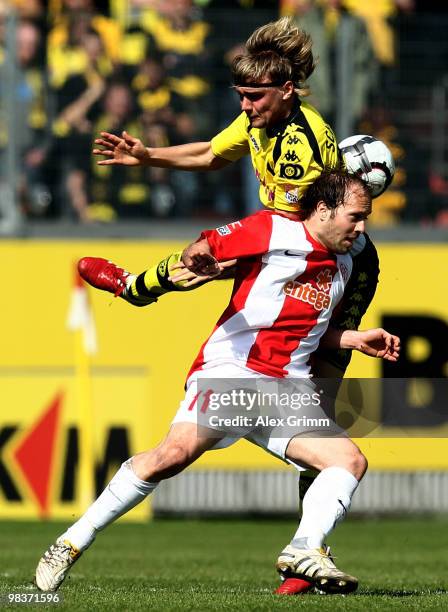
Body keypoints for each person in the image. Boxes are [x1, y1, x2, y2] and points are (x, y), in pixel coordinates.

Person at [35, 171, 400, 595]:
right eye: (356, 217)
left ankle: (305, 549)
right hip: (233, 373)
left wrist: (356, 338)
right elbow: (209, 244)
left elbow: (308, 330)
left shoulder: (345, 261)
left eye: (366, 218)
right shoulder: (274, 229)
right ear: (323, 209)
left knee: (349, 461)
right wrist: (198, 255)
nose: (362, 229)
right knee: (170, 457)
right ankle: (72, 542)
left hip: (285, 387)